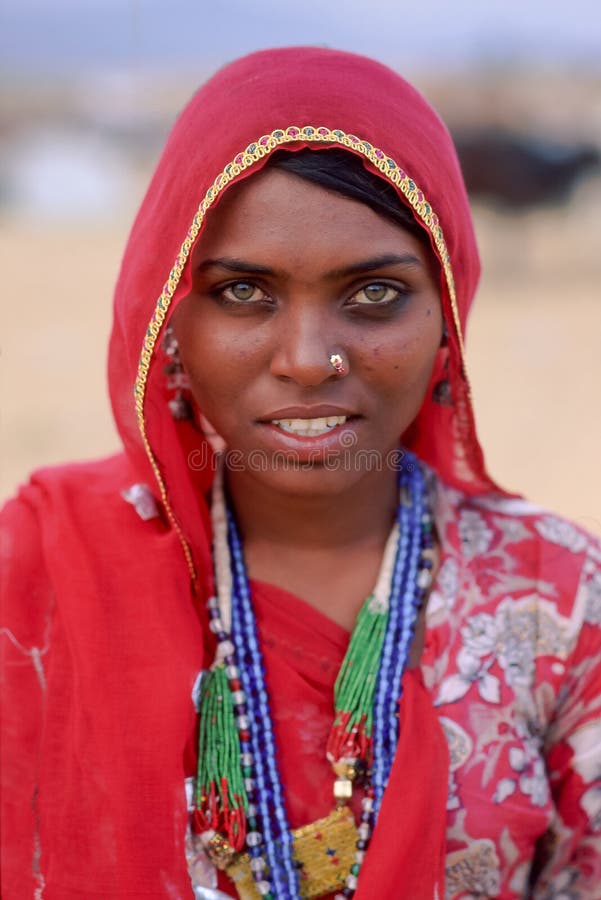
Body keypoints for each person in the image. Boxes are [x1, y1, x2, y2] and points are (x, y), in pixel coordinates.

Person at [1, 46, 600, 900]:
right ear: (169, 318)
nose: (309, 359)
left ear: (447, 318)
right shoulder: (33, 573)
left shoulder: (561, 599)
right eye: (244, 293)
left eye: (375, 294)